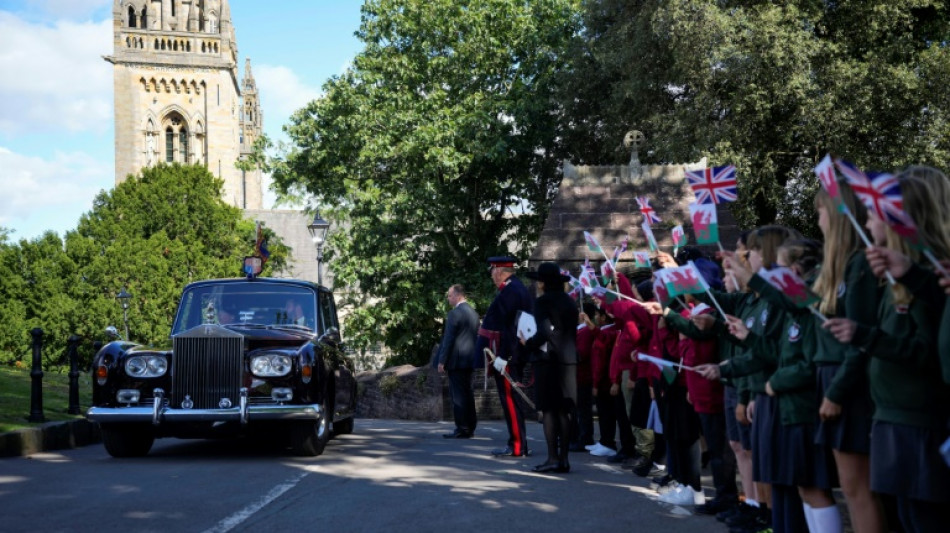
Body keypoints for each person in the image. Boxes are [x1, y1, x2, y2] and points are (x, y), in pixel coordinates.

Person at [825, 166, 950, 532]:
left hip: (920, 422)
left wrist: (864, 336)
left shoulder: (923, 275)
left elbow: (926, 353)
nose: (866, 219)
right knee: (906, 517)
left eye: (874, 212)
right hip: (894, 419)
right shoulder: (902, 276)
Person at [521, 262, 578, 473]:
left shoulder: (543, 302)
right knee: (564, 409)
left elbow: (544, 332)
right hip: (569, 360)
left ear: (543, 283)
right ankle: (564, 459)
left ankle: (553, 457)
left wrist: (527, 343)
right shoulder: (570, 302)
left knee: (549, 411)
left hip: (549, 360)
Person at [476, 256, 533, 457]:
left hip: (510, 355)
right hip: (511, 354)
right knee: (510, 400)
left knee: (510, 400)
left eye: (492, 271)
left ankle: (517, 446)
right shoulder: (514, 288)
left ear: (499, 271)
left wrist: (504, 356)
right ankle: (518, 443)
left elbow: (510, 329)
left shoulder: (511, 291)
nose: (491, 275)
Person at [436, 284, 480, 439]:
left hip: (456, 361)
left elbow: (448, 339)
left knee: (458, 396)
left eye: (449, 296)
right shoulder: (474, 313)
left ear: (457, 295)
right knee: (468, 393)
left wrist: (442, 360)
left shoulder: (455, 314)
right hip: (470, 360)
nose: (448, 299)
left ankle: (462, 428)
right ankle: (470, 426)